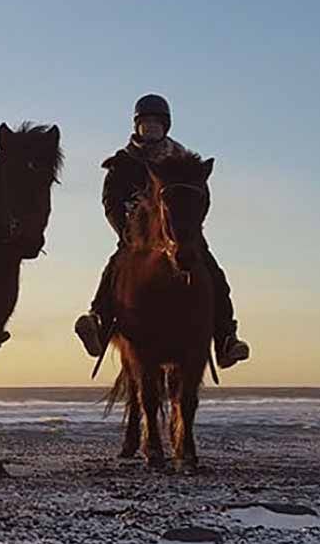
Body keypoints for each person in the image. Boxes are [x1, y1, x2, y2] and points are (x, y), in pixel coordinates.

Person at [73, 93, 251, 367]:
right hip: (137, 234)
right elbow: (110, 201)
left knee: (213, 272)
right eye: (146, 124)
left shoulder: (183, 160)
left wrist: (191, 225)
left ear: (165, 127)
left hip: (180, 232)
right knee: (116, 267)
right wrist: (125, 232)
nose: (151, 129)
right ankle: (98, 320)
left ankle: (226, 338)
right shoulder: (122, 162)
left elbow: (202, 195)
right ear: (137, 127)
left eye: (156, 124)